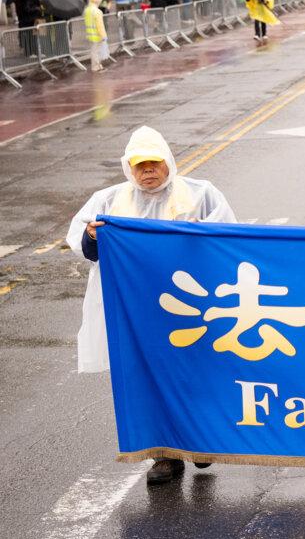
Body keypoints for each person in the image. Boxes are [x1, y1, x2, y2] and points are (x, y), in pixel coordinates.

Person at [67, 126, 235, 484]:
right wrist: (93, 235)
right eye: (139, 165)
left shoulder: (200, 194)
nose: (147, 172)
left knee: (195, 375)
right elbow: (89, 251)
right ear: (129, 167)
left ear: (167, 163)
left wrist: (199, 234)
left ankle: (200, 442)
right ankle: (163, 456)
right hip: (138, 313)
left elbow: (226, 238)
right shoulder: (109, 201)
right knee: (147, 380)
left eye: (153, 164)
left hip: (191, 308)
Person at [83, 0, 109, 72]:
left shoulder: (87, 10)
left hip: (90, 34)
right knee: (97, 52)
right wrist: (103, 35)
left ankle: (97, 66)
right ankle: (96, 67)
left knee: (94, 51)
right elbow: (100, 25)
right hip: (97, 35)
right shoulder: (97, 12)